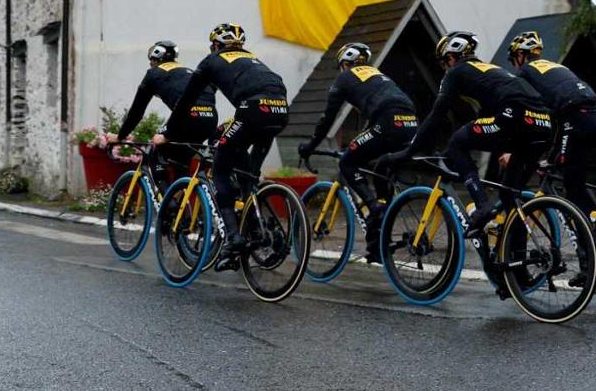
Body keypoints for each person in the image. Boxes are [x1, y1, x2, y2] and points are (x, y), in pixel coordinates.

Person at [379, 31, 554, 238]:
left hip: (514, 116)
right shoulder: (490, 71)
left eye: (445, 62)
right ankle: (515, 259)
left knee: (457, 143)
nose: (445, 68)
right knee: (508, 193)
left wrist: (410, 151)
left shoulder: (457, 72)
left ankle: (481, 206)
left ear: (452, 56)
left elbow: (437, 115)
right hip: (543, 123)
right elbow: (483, 120)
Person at [153, 23, 289, 268]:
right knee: (248, 176)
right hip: (279, 111)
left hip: (252, 111)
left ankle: (234, 239)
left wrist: (168, 133)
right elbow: (262, 91)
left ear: (215, 45)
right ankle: (256, 229)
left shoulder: (211, 61)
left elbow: (186, 101)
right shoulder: (252, 60)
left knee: (220, 169)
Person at [296, 43, 419, 264]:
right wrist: (358, 141)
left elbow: (327, 118)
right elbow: (376, 117)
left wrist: (311, 145)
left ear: (344, 63)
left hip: (387, 121)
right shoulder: (378, 75)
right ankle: (378, 241)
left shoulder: (345, 77)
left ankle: (373, 206)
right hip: (409, 122)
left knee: (347, 163)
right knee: (382, 169)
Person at [506, 30, 596, 287]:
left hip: (574, 119)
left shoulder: (526, 73)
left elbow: (529, 116)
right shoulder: (555, 67)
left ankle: (588, 265)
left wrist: (514, 151)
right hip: (595, 118)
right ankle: (595, 218)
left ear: (520, 55)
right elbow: (551, 118)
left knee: (568, 188)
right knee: (575, 183)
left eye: (513, 58)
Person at [107, 40, 218, 192]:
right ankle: (182, 208)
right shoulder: (188, 71)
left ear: (154, 58)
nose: (150, 64)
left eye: (150, 60)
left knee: (155, 149)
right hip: (210, 119)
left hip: (186, 118)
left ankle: (168, 203)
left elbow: (136, 112)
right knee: (181, 161)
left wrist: (120, 136)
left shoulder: (153, 74)